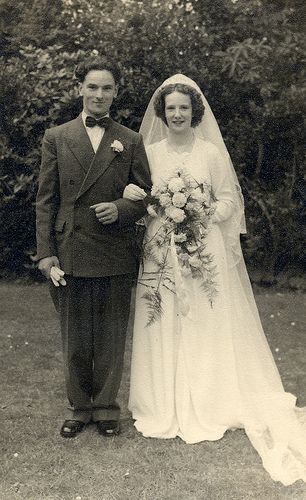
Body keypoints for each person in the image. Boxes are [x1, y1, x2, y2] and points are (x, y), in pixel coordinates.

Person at [124, 74, 306, 485]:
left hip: (203, 250)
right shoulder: (149, 151)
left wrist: (200, 212)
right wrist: (160, 207)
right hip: (160, 251)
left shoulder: (210, 153)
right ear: (162, 112)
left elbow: (229, 200)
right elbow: (142, 197)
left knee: (205, 322)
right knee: (162, 319)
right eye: (170, 108)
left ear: (195, 112)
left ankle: (208, 400)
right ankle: (162, 403)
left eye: (183, 108)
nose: (176, 114)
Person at [36, 56, 151, 438]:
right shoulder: (57, 136)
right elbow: (45, 200)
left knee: (111, 335)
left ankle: (105, 408)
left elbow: (146, 197)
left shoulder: (131, 140)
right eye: (92, 87)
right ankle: (78, 407)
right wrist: (46, 253)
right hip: (70, 248)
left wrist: (119, 208)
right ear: (80, 89)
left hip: (115, 249)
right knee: (75, 335)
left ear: (115, 93)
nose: (99, 94)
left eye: (107, 88)